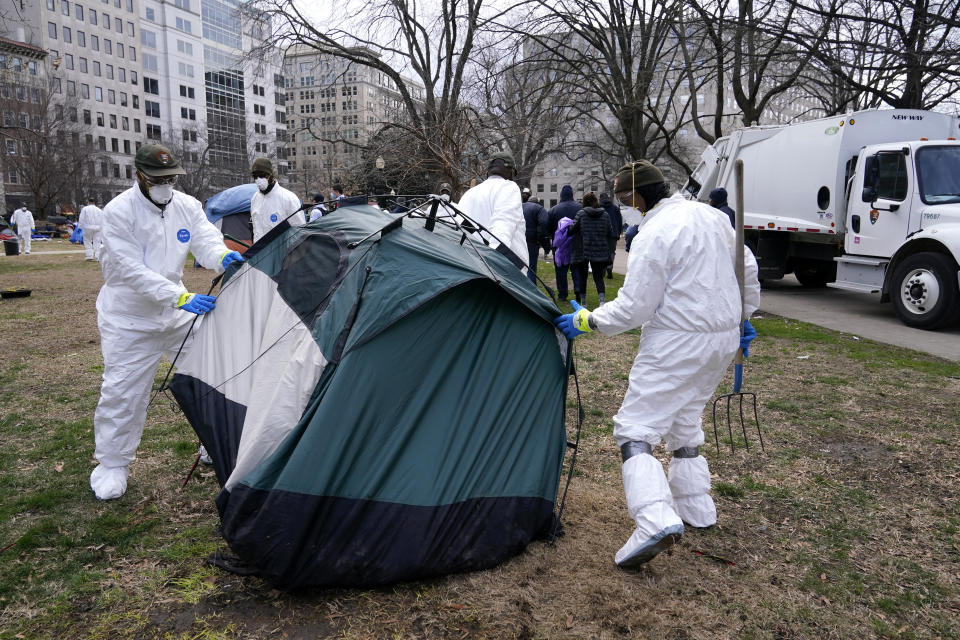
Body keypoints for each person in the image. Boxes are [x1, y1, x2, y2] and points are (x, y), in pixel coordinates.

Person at [554, 159, 760, 567]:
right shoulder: (713, 217)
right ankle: (697, 507)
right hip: (720, 340)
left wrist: (589, 319)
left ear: (639, 196)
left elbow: (635, 307)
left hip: (676, 342)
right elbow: (746, 269)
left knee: (635, 430)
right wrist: (743, 318)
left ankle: (653, 520)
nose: (626, 206)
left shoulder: (655, 232)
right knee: (685, 420)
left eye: (626, 198)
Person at [89, 143, 244, 501]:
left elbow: (206, 242)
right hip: (130, 319)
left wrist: (223, 257)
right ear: (140, 176)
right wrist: (180, 297)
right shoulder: (118, 212)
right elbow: (129, 269)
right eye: (158, 178)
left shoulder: (187, 206)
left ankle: (214, 441)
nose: (165, 184)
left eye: (171, 178)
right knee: (122, 391)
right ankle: (113, 463)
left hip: (178, 315)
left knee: (213, 374)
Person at [456, 151, 527, 267]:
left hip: (471, 265)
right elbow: (503, 226)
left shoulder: (469, 193)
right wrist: (493, 262)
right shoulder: (509, 187)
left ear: (488, 172)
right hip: (502, 270)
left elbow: (457, 229)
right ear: (511, 173)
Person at [569, 192, 616, 305]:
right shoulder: (605, 215)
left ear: (584, 202)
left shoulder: (581, 214)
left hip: (583, 249)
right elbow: (610, 232)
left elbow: (571, 230)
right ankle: (602, 301)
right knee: (598, 277)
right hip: (599, 249)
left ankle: (583, 303)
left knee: (582, 277)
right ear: (596, 202)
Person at [250, 158, 304, 243]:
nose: (258, 179)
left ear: (271, 175)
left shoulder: (288, 198)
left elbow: (299, 231)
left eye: (262, 175)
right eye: (255, 176)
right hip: (260, 254)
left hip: (282, 253)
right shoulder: (255, 199)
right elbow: (255, 230)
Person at [547, 186, 581, 298]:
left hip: (559, 245)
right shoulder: (580, 208)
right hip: (576, 243)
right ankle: (578, 290)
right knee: (576, 268)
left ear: (561, 195)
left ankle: (562, 293)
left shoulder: (553, 210)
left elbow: (549, 227)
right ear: (572, 195)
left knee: (560, 270)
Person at [521, 187, 547, 283]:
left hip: (520, 238)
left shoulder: (520, 206)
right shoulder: (539, 208)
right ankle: (531, 286)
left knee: (521, 263)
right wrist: (540, 240)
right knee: (531, 265)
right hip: (532, 240)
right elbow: (544, 224)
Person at [598, 193, 623, 278]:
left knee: (602, 252)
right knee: (611, 252)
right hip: (613, 234)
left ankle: (603, 268)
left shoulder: (598, 207)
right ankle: (609, 266)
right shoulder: (615, 208)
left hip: (601, 233)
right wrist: (619, 233)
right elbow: (619, 221)